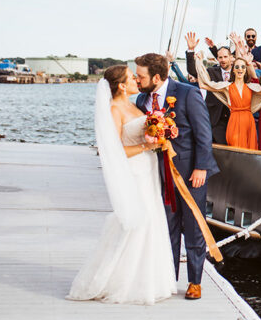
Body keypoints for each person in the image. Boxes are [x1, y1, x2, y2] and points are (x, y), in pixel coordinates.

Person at [68, 66, 178, 305]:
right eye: (131, 78)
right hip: (134, 171)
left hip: (148, 169)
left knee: (152, 220)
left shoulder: (135, 104)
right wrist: (146, 147)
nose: (137, 81)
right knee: (137, 221)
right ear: (120, 85)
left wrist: (160, 131)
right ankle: (119, 281)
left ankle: (150, 278)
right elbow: (114, 150)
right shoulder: (115, 109)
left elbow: (144, 130)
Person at [133, 52, 217, 301]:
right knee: (166, 225)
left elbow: (204, 133)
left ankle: (195, 281)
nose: (137, 81)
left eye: (141, 76)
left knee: (193, 226)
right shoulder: (141, 100)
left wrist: (201, 167)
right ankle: (168, 277)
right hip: (158, 173)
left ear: (156, 77)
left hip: (190, 172)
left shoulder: (187, 93)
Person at [193, 48, 261, 149]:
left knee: (249, 151)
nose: (240, 69)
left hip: (248, 123)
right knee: (235, 149)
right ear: (233, 69)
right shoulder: (227, 87)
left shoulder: (251, 87)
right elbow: (204, 84)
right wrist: (199, 62)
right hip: (234, 122)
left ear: (245, 69)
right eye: (237, 66)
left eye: (243, 66)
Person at [185, 32, 232, 144]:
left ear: (231, 57)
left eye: (225, 57)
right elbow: (194, 71)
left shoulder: (238, 72)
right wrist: (190, 51)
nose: (223, 60)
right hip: (214, 120)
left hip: (233, 120)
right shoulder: (211, 72)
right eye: (220, 57)